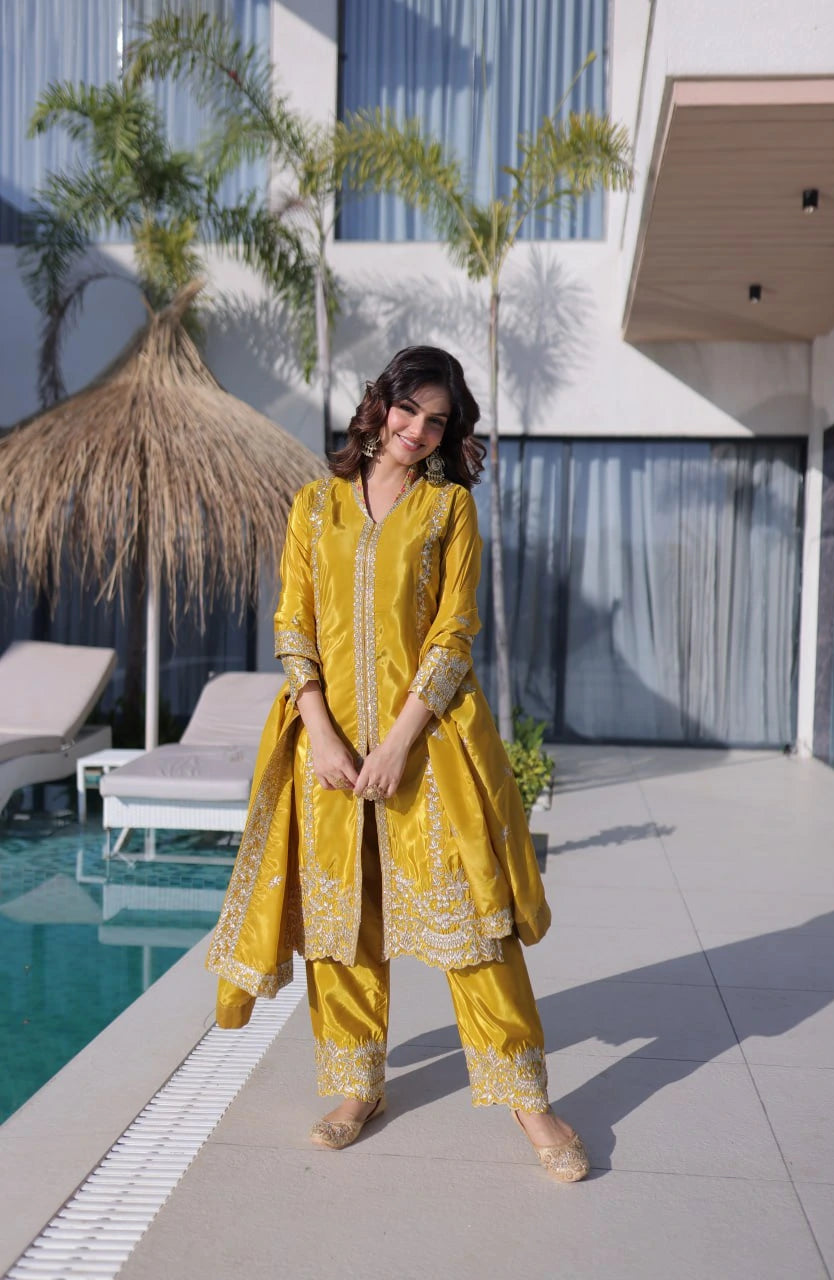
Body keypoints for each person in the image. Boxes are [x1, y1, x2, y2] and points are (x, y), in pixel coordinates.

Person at [206, 346, 589, 1182]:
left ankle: (531, 1103)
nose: (418, 431)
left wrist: (396, 741)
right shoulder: (312, 509)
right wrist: (326, 733)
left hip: (428, 750)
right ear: (377, 406)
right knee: (342, 927)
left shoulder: (448, 510)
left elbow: (454, 632)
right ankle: (355, 1088)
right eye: (408, 410)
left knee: (469, 930)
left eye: (437, 420)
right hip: (328, 753)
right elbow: (293, 626)